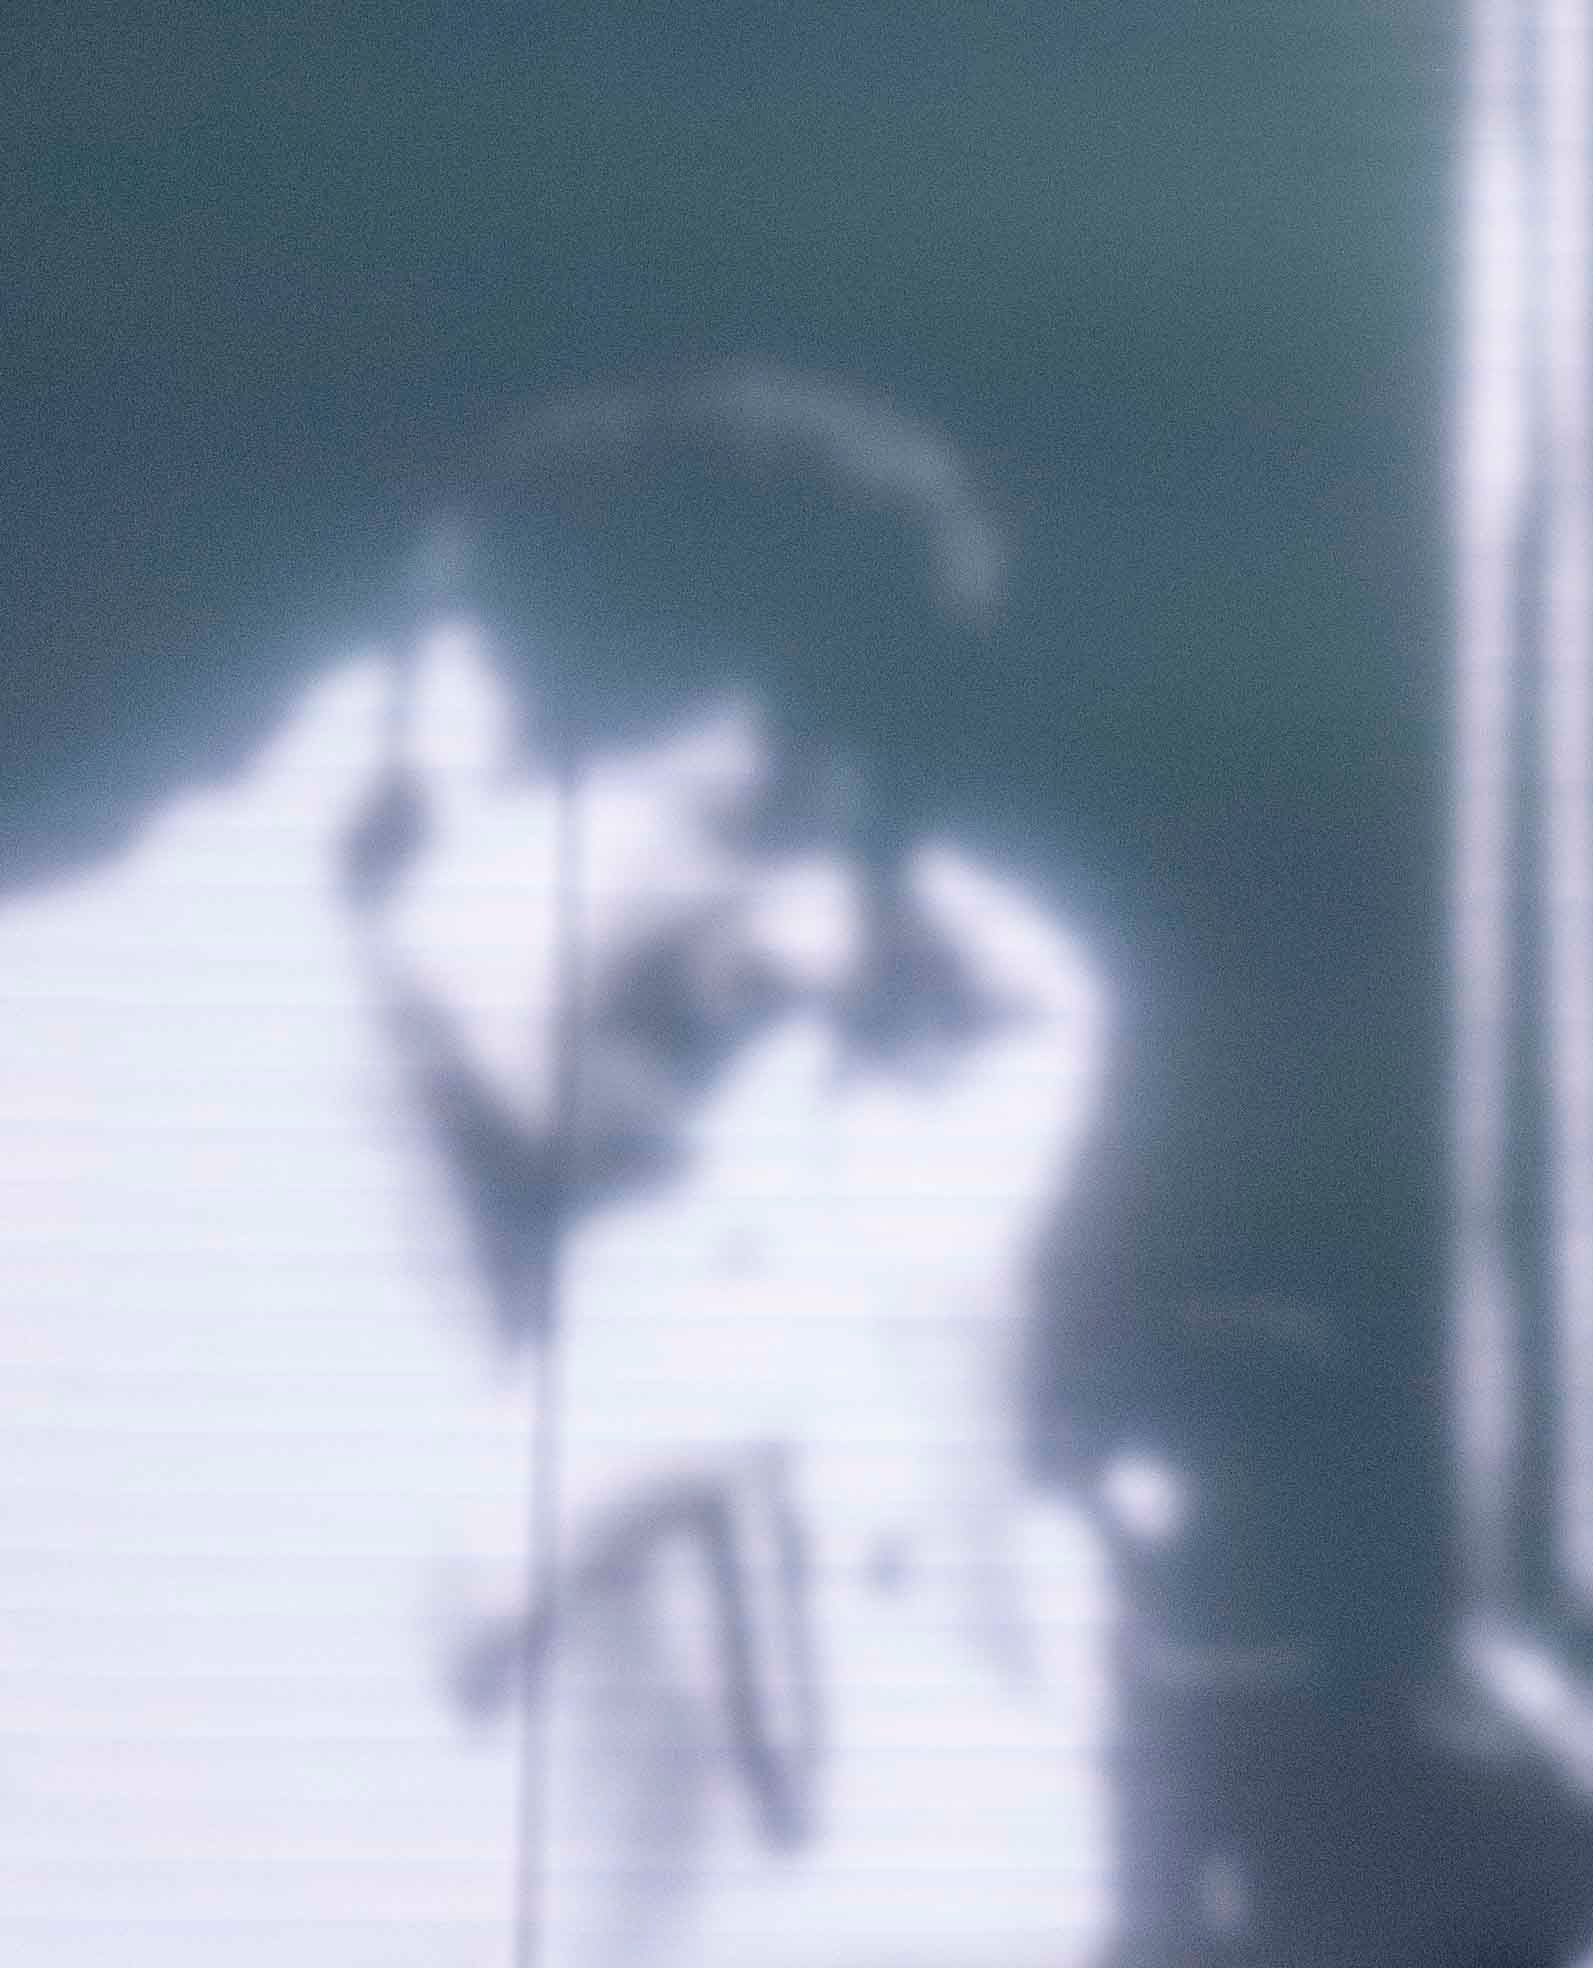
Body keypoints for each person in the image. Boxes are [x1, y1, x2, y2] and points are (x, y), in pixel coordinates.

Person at [0, 364, 1123, 1965]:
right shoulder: (52, 1101)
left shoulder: (714, 1231)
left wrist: (949, 1311)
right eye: (745, 821)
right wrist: (545, 1503)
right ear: (461, 731)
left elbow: (981, 1932)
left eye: (854, 861)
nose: (816, 946)